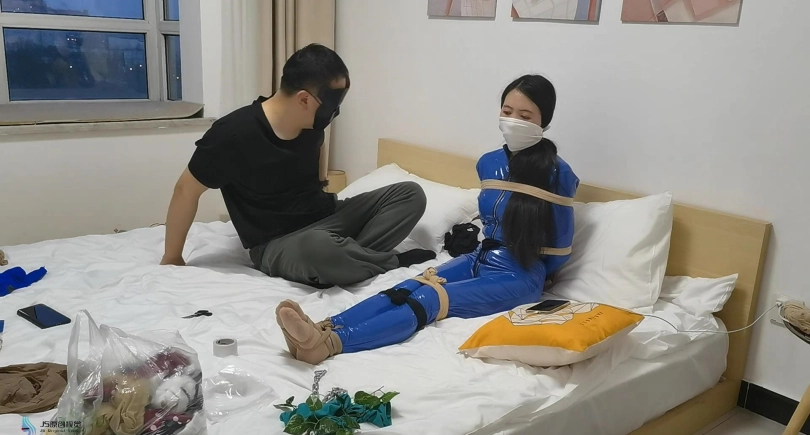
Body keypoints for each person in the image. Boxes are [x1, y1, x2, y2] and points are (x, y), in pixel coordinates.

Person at [275, 74, 580, 364]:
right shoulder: (489, 163)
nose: (513, 121)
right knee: (409, 286)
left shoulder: (558, 174)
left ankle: (330, 344)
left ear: (544, 121)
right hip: (480, 256)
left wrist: (534, 267)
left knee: (430, 298)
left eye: (525, 116)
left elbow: (559, 250)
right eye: (507, 111)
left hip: (519, 274)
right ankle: (323, 328)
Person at [160, 44, 435, 288]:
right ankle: (385, 261)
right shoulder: (233, 134)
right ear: (304, 99)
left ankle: (348, 260)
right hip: (277, 242)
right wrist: (172, 257)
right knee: (319, 249)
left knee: (411, 194)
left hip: (327, 217)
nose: (335, 112)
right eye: (333, 102)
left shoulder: (312, 127)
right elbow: (186, 190)